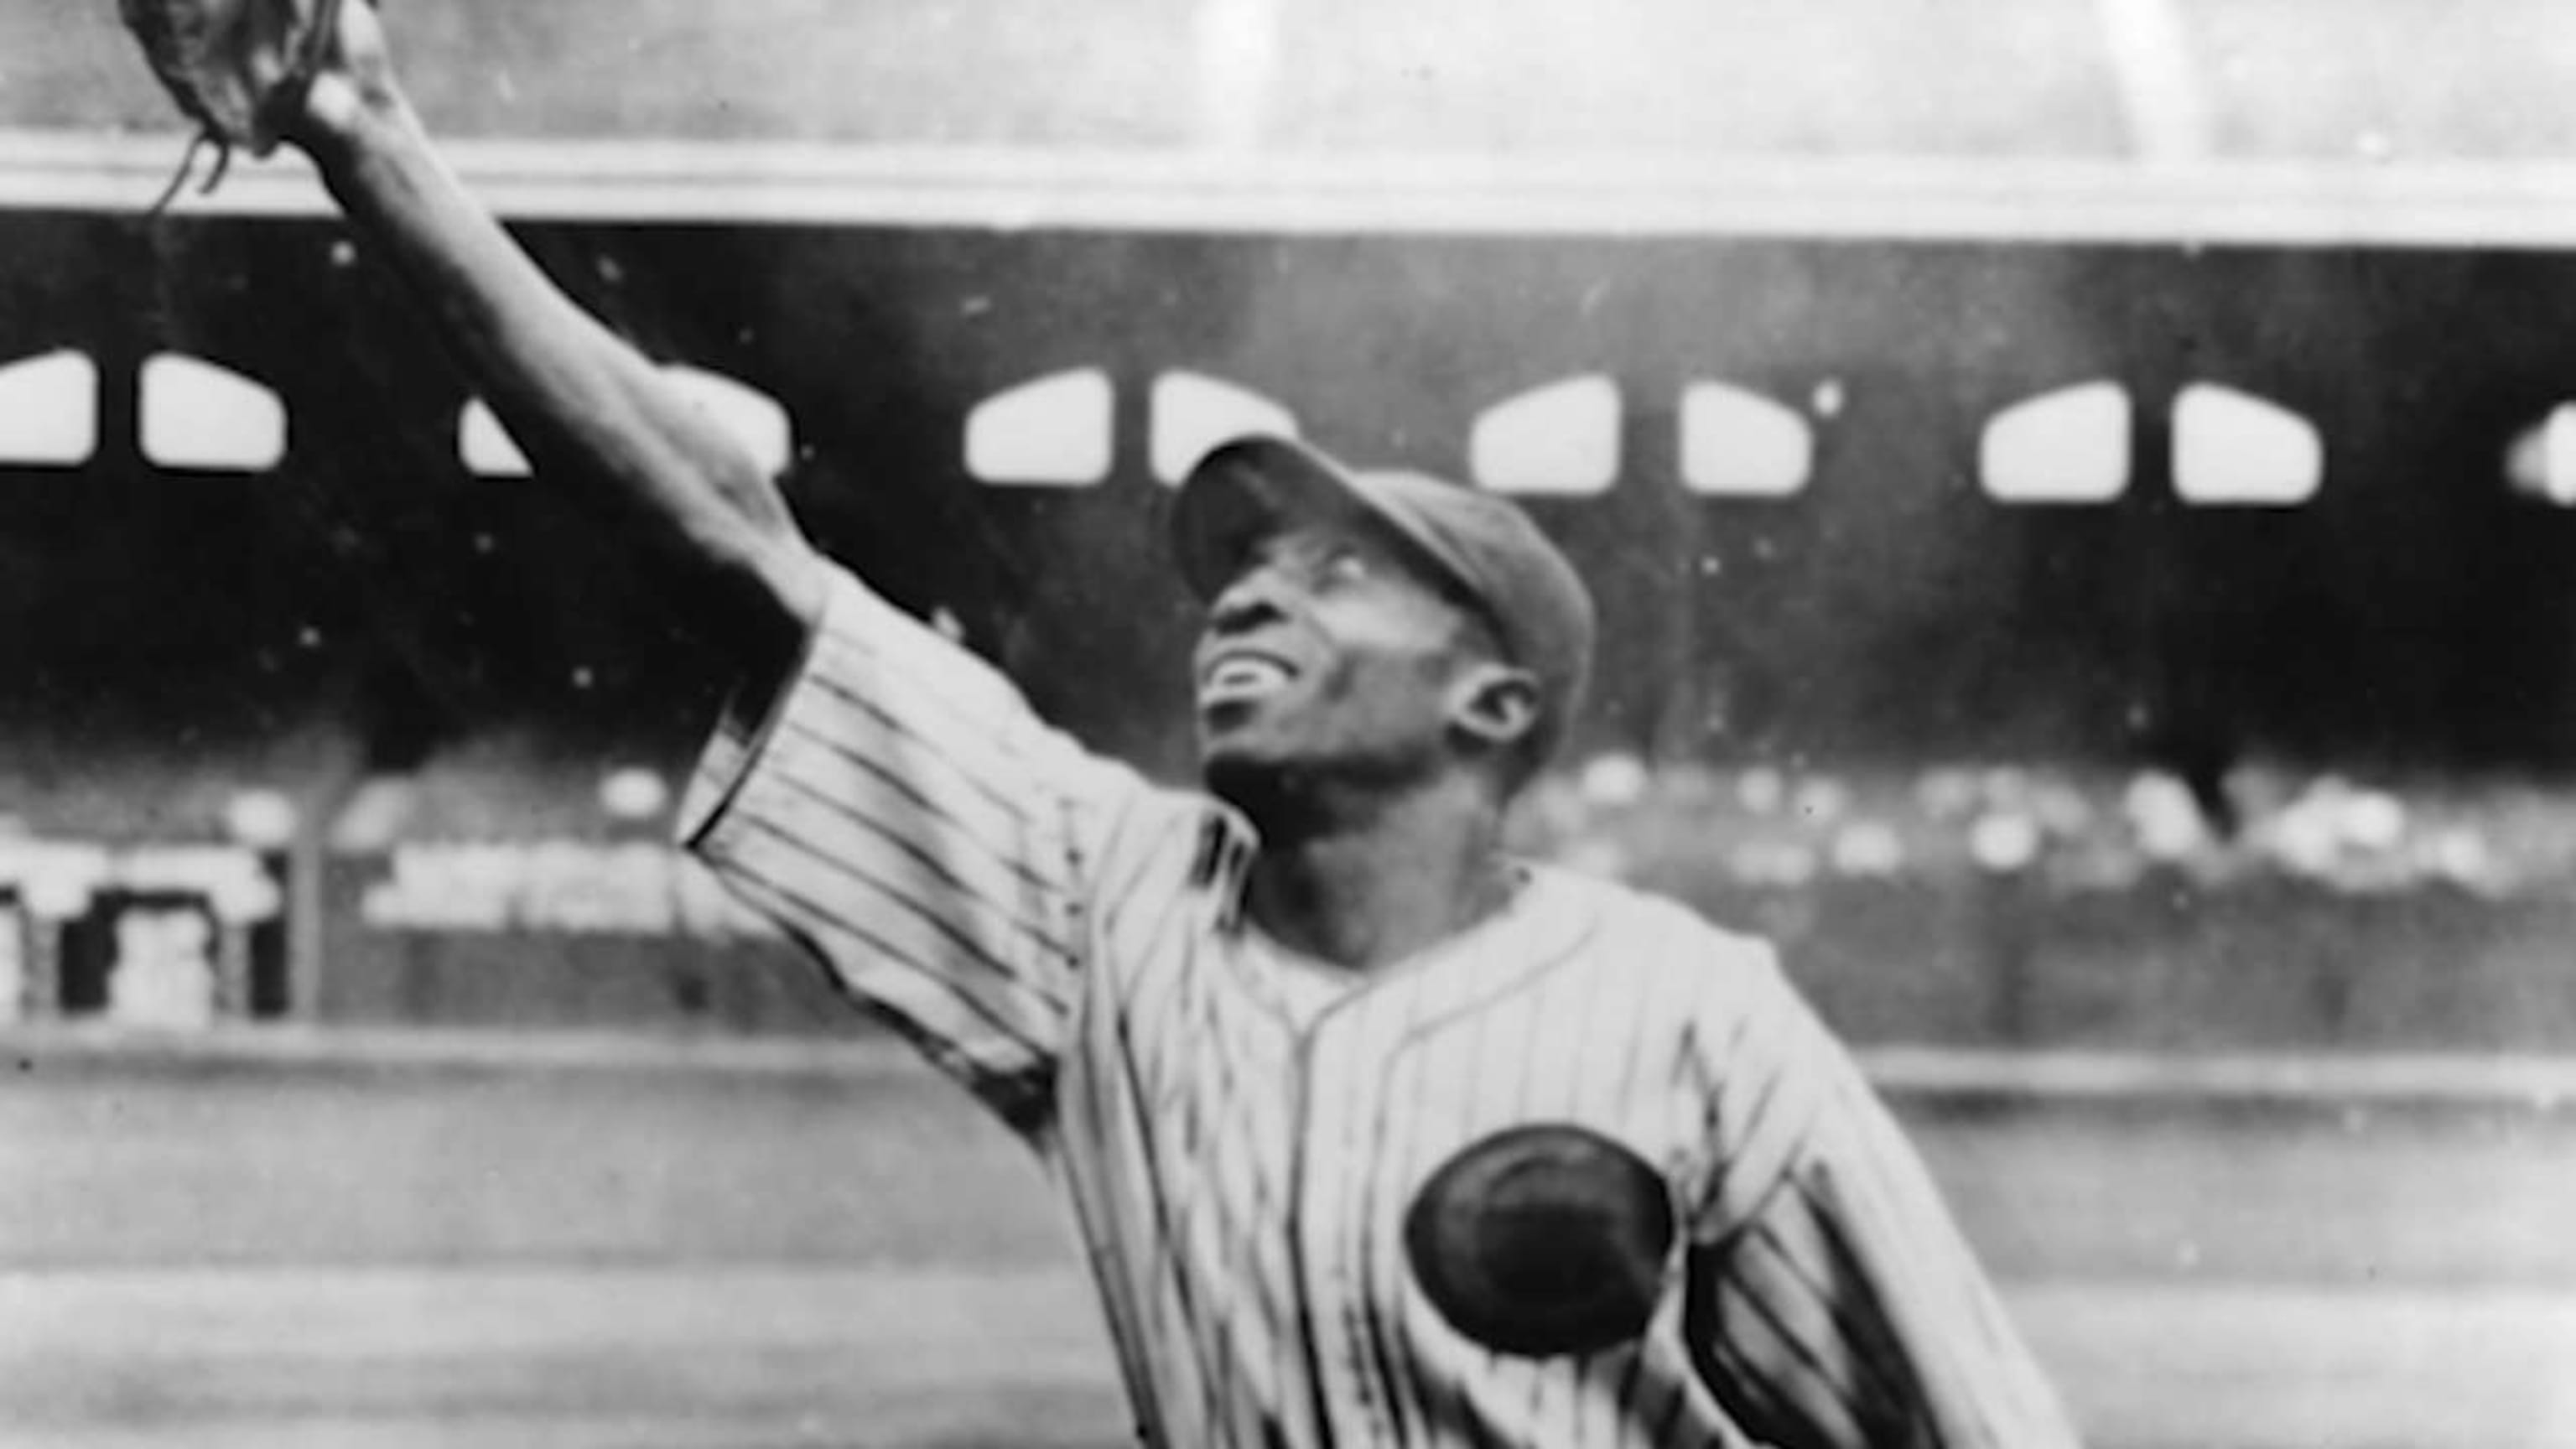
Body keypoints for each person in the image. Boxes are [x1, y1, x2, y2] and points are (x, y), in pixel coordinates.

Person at [132, 4, 2085, 1444]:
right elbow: (740, 554)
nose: (1245, 592)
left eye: (1335, 574)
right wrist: (363, 135)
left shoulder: (1694, 1015)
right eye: (1239, 565)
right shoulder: (1100, 911)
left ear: (1494, 698)